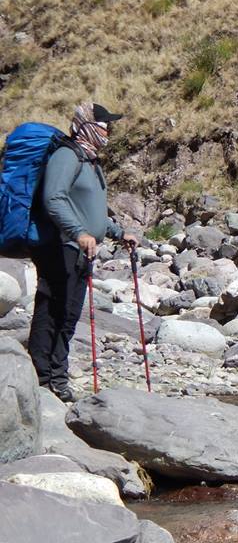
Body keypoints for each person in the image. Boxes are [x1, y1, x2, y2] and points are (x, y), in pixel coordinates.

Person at [28, 103, 138, 402]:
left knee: (68, 314)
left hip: (79, 249)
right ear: (86, 126)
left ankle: (57, 378)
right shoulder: (66, 156)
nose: (107, 131)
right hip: (59, 246)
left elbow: (92, 212)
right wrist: (79, 232)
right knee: (53, 311)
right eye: (103, 125)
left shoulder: (90, 161)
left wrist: (118, 233)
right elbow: (54, 198)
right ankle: (42, 379)